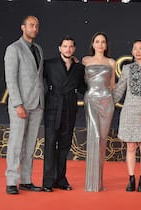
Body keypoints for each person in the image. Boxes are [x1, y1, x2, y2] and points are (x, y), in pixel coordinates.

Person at [4, 15, 44, 194]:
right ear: (23, 27)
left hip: (37, 104)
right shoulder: (14, 49)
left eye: (36, 26)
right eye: (31, 25)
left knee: (30, 145)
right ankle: (11, 181)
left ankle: (26, 179)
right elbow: (11, 80)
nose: (34, 28)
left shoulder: (39, 49)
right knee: (16, 143)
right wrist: (18, 104)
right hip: (20, 104)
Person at [113, 39, 141, 192]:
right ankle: (131, 179)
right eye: (135, 48)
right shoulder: (127, 68)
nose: (138, 51)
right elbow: (120, 89)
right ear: (132, 52)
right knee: (131, 146)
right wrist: (109, 103)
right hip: (129, 111)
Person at [42, 36, 86, 192]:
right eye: (65, 46)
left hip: (70, 108)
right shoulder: (49, 64)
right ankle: (47, 182)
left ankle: (61, 179)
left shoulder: (79, 68)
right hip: (53, 107)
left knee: (65, 145)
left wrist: (99, 91)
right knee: (50, 144)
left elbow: (83, 88)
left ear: (74, 49)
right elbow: (39, 83)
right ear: (59, 48)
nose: (68, 49)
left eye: (71, 46)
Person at [82, 32, 115, 192]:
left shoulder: (111, 62)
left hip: (107, 102)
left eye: (103, 42)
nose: (100, 44)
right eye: (97, 41)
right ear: (93, 44)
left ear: (106, 45)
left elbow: (113, 85)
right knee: (94, 136)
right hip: (91, 101)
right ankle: (91, 183)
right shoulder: (85, 61)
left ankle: (98, 182)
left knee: (102, 140)